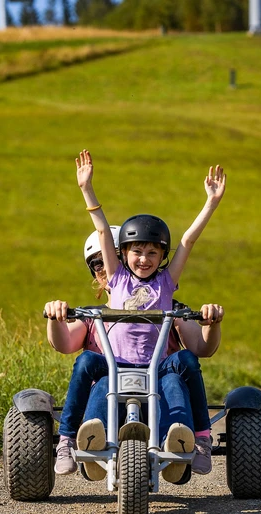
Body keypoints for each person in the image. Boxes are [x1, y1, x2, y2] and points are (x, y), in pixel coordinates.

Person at [73, 148, 226, 481]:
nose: (144, 259)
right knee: (99, 383)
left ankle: (191, 438)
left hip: (157, 366)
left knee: (184, 364)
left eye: (152, 253)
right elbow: (101, 230)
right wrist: (87, 190)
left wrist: (211, 203)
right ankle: (87, 439)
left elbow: (187, 240)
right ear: (123, 254)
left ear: (162, 257)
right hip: (117, 365)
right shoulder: (116, 279)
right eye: (137, 252)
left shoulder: (166, 283)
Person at [45, 232, 224, 478]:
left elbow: (202, 349)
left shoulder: (168, 309)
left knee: (175, 376)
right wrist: (55, 318)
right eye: (96, 264)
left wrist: (211, 323)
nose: (103, 269)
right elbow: (63, 344)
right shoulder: (92, 316)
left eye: (107, 261)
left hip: (160, 391)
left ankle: (183, 441)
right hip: (108, 395)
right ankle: (78, 439)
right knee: (100, 376)